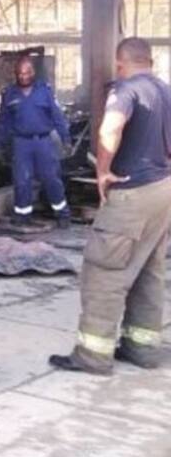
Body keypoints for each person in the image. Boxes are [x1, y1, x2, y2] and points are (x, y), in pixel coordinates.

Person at [50, 37, 171, 374]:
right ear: (150, 60)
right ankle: (141, 348)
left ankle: (93, 354)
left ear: (121, 63)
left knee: (104, 271)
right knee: (148, 270)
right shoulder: (165, 90)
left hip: (131, 193)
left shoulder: (125, 90)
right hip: (163, 190)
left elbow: (111, 127)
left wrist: (103, 171)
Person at [0, 56, 71, 226]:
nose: (23, 76)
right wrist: (0, 144)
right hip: (21, 143)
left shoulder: (44, 91)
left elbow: (57, 116)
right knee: (22, 180)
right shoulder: (9, 94)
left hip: (43, 142)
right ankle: (22, 216)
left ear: (33, 73)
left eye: (26, 73)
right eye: (20, 73)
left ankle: (63, 214)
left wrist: (66, 139)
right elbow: (3, 121)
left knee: (51, 178)